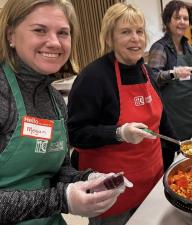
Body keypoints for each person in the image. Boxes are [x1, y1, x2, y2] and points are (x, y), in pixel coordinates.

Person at [0, 0, 127, 224]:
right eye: (39, 30)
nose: (54, 42)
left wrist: (88, 178)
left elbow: (59, 170)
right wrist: (62, 199)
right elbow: (57, 195)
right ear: (10, 35)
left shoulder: (55, 99)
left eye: (63, 33)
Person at [67, 3, 177, 224]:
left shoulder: (145, 71)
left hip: (152, 184)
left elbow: (160, 119)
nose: (135, 39)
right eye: (125, 32)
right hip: (112, 194)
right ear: (109, 38)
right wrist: (119, 133)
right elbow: (75, 134)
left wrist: (179, 145)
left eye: (139, 31)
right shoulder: (93, 77)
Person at [148, 0, 192, 146]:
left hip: (190, 113)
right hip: (171, 117)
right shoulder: (160, 48)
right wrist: (173, 73)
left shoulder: (190, 48)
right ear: (167, 21)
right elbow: (152, 79)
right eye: (177, 18)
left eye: (185, 18)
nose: (182, 22)